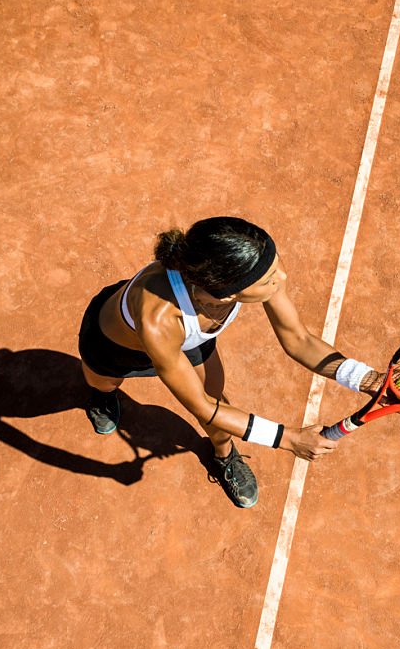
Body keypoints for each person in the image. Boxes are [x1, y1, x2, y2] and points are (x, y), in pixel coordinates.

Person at [77, 216, 383, 508]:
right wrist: (287, 439)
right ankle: (101, 396)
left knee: (217, 398)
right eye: (267, 281)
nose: (281, 278)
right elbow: (201, 406)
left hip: (190, 340)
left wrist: (368, 380)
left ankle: (224, 455)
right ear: (226, 295)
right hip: (114, 346)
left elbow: (298, 340)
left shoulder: (254, 268)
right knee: (103, 383)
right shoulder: (159, 318)